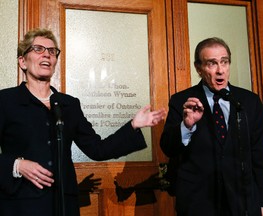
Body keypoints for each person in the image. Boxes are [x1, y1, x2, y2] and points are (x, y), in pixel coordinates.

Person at [0, 28, 166, 216]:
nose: (46, 54)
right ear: (23, 61)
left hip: (64, 205)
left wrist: (133, 125)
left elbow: (97, 149)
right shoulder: (5, 101)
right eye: (38, 49)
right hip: (20, 205)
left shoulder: (69, 104)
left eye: (52, 51)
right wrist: (17, 165)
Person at [160, 37, 263, 216]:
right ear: (199, 68)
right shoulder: (181, 101)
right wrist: (186, 125)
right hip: (198, 204)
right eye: (212, 64)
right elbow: (168, 147)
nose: (220, 70)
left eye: (224, 62)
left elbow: (260, 158)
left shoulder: (250, 102)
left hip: (242, 203)